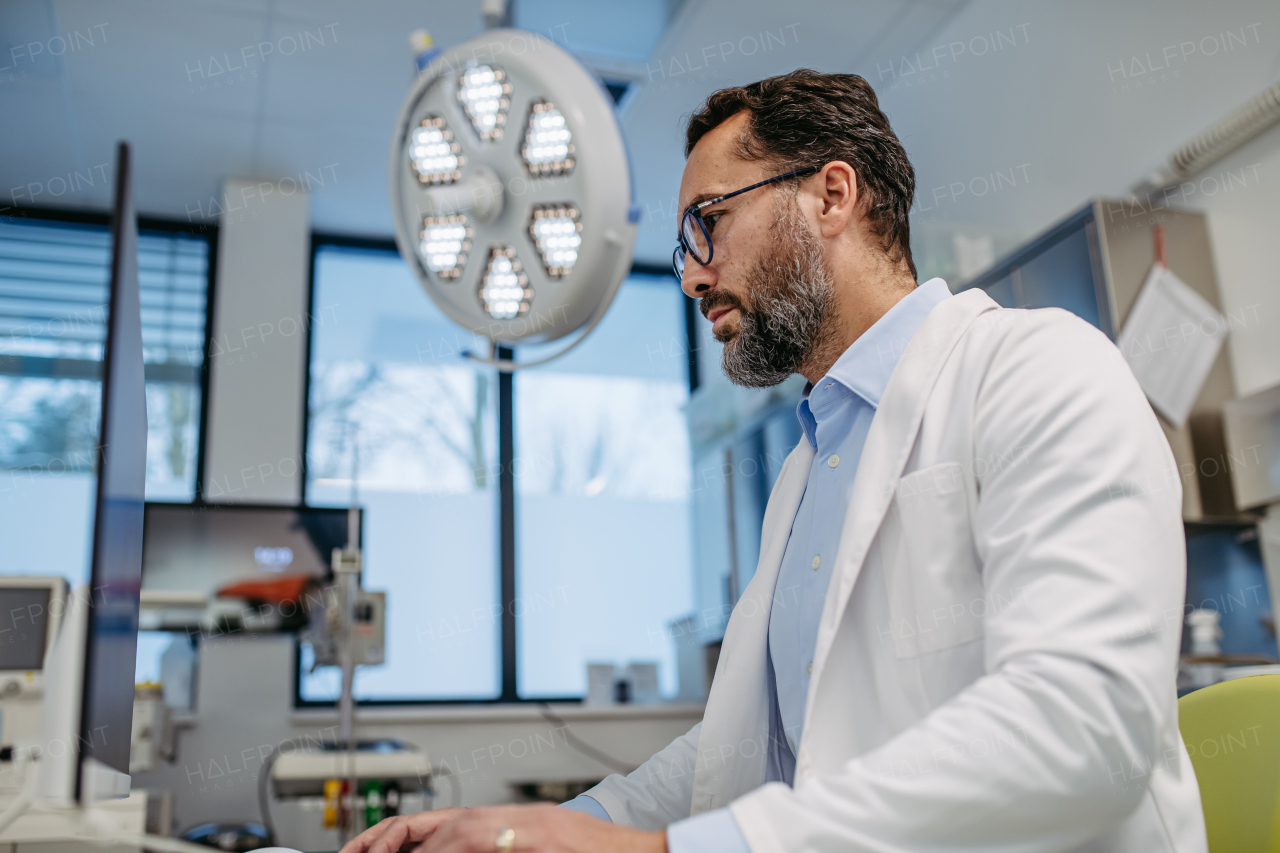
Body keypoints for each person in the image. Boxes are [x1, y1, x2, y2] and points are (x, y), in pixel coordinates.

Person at [341, 69, 1206, 853]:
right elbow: (745, 745)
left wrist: (663, 852)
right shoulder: (805, 470)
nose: (691, 276)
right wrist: (558, 828)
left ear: (832, 195)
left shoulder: (1036, 367)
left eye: (707, 223)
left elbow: (1086, 727)